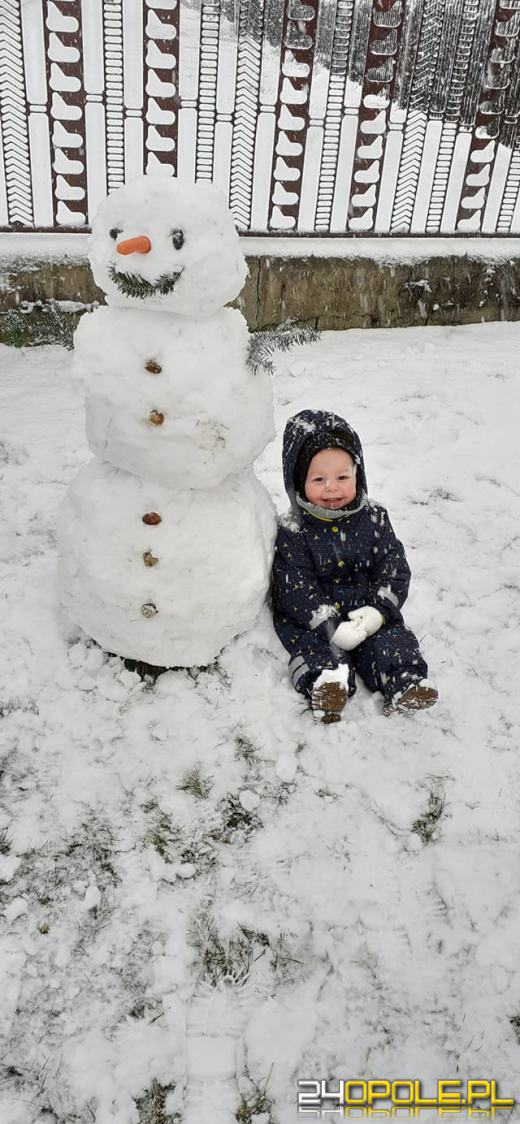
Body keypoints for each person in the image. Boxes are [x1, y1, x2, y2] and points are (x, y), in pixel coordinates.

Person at [271, 409, 438, 723]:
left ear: (357, 475)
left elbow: (394, 565)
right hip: (316, 623)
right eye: (319, 479)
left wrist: (379, 612)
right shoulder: (294, 531)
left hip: (366, 613)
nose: (332, 487)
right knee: (315, 652)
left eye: (342, 477)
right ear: (298, 482)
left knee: (393, 642)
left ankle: (404, 682)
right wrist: (330, 628)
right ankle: (327, 687)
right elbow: (294, 588)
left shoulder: (374, 518)